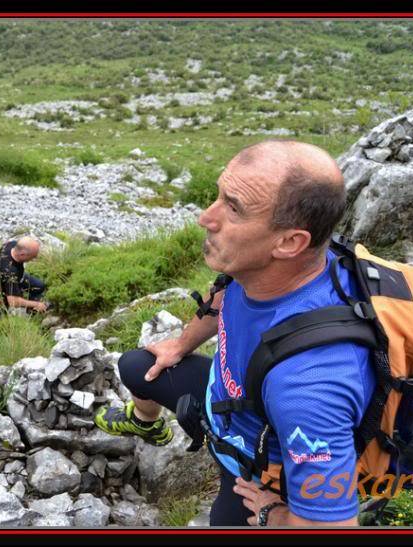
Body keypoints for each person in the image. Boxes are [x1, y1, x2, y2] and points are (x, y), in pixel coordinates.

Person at [94, 140, 375, 527]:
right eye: (219, 195)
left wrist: (270, 511)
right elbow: (224, 294)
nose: (206, 218)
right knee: (137, 366)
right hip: (227, 404)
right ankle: (145, 422)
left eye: (234, 208)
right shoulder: (264, 268)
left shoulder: (309, 387)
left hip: (258, 466)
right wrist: (180, 344)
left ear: (290, 242)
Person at [0, 236, 48, 318]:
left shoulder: (11, 245)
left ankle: (32, 313)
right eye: (32, 256)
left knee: (39, 286)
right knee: (0, 319)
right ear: (22, 254)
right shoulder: (9, 272)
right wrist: (37, 304)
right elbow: (13, 301)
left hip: (16, 277)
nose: (34, 259)